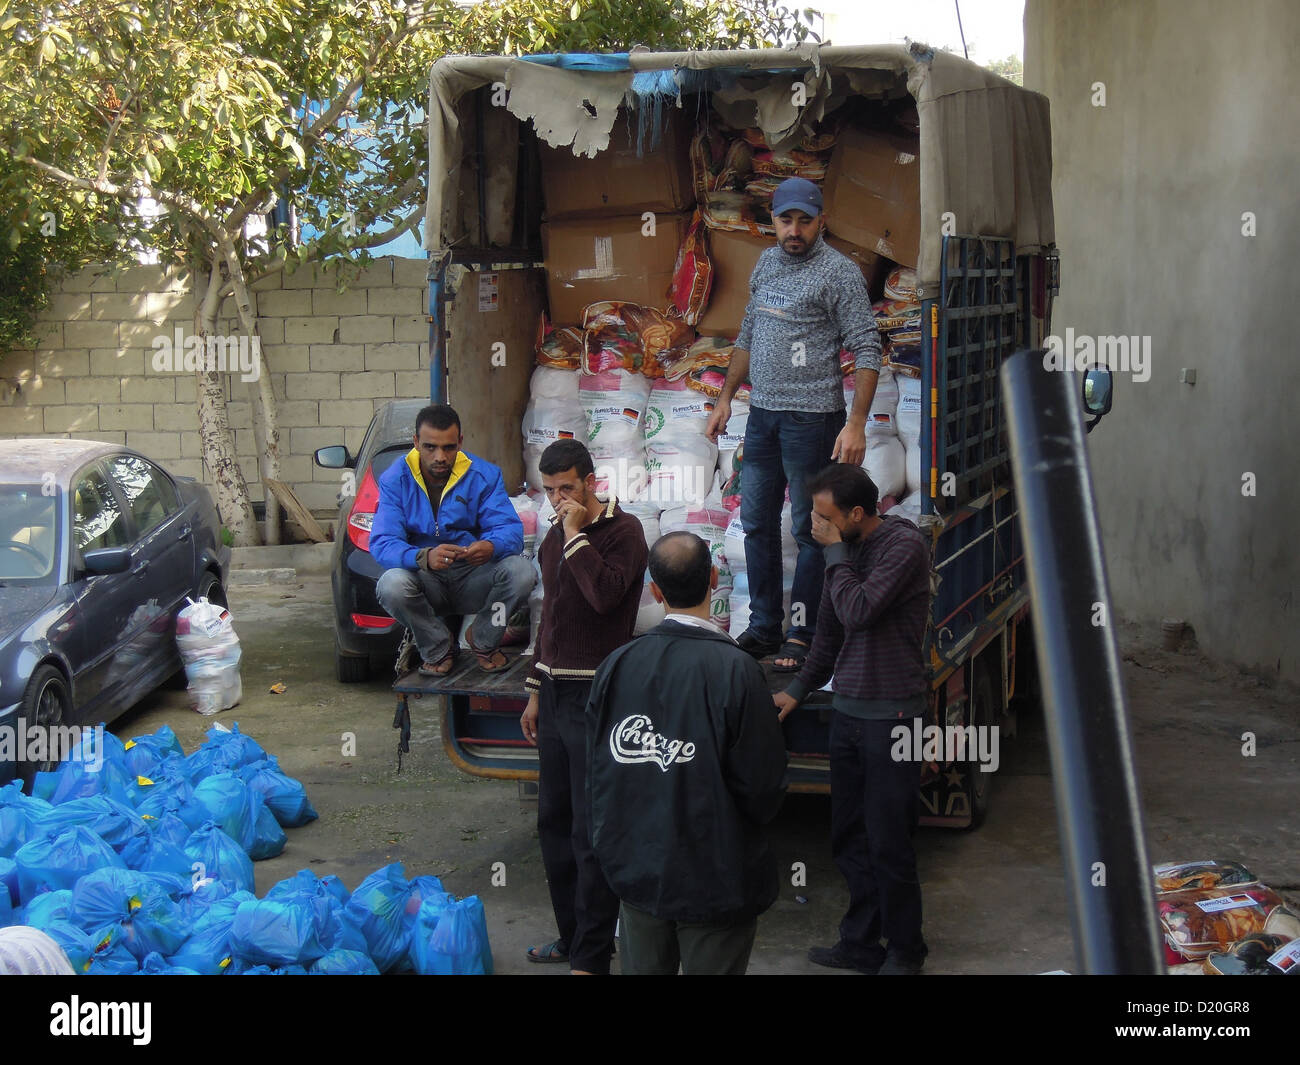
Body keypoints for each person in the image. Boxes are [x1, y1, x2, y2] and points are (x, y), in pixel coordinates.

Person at [585, 532, 788, 975]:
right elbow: (763, 787)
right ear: (715, 579)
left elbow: (599, 776)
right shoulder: (738, 670)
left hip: (638, 875)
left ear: (654, 590)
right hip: (717, 881)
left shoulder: (616, 665)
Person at [705, 176, 882, 674]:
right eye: (786, 220)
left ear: (821, 221)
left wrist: (857, 423)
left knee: (809, 529)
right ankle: (763, 627)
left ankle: (802, 633)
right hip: (762, 416)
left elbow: (868, 347)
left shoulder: (839, 273)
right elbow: (748, 334)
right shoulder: (765, 263)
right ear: (774, 222)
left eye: (805, 220)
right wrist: (725, 399)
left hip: (812, 419)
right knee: (758, 523)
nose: (795, 230)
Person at [772, 464, 932, 975]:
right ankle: (861, 942)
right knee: (849, 837)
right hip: (849, 713)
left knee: (889, 841)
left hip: (894, 716)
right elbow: (830, 632)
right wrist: (796, 690)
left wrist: (835, 555)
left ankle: (907, 950)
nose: (816, 526)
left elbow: (859, 609)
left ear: (858, 514)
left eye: (826, 517)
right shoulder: (839, 552)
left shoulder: (902, 549)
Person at [519, 438, 648, 975]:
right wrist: (532, 690)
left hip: (597, 695)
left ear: (592, 482)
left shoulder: (625, 533)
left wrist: (575, 535)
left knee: (590, 829)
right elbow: (551, 615)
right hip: (554, 694)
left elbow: (604, 597)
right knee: (553, 821)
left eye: (566, 488)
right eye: (548, 491)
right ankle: (572, 938)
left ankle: (593, 955)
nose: (556, 500)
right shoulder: (553, 537)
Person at [371, 403, 534, 675]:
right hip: (426, 580)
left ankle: (483, 640)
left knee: (522, 572)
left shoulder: (484, 475)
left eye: (448, 447)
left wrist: (491, 546)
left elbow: (510, 530)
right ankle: (438, 647)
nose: (440, 456)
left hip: (473, 578)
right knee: (391, 585)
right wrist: (422, 557)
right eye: (430, 447)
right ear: (416, 442)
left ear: (460, 442)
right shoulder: (395, 479)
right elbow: (383, 542)